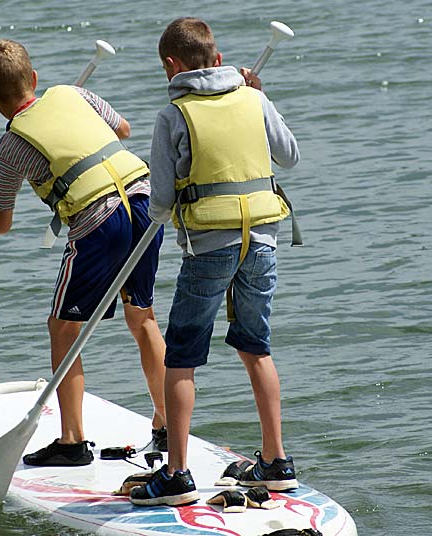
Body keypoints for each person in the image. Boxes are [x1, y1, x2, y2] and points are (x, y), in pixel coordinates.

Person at [0, 39, 168, 466]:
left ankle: (71, 442)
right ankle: (165, 425)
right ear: (34, 79)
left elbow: (2, 222)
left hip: (98, 222)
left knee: (64, 329)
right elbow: (123, 129)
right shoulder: (72, 93)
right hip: (146, 202)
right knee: (142, 317)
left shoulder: (7, 150)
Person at [129, 18, 300, 506]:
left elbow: (160, 198)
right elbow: (290, 156)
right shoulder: (254, 97)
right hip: (263, 240)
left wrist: (159, 217)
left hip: (208, 247)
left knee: (181, 356)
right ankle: (276, 462)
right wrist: (262, 97)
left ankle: (177, 475)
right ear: (219, 59)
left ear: (171, 66)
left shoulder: (173, 115)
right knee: (256, 346)